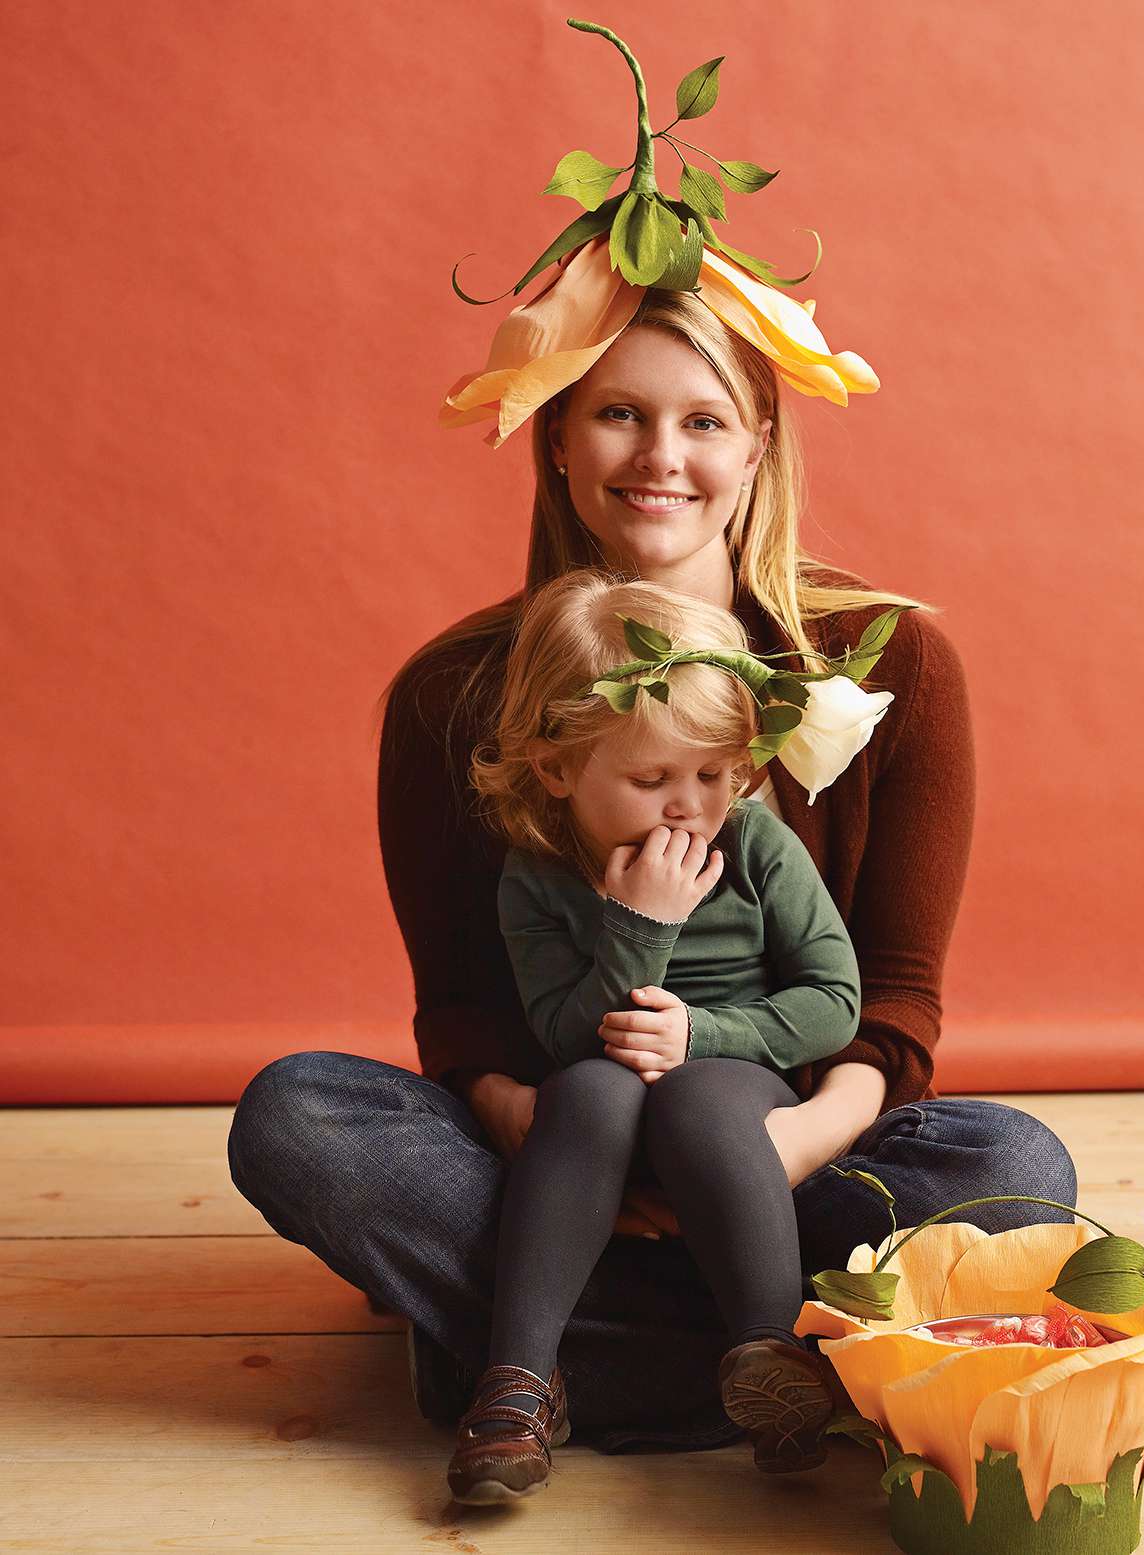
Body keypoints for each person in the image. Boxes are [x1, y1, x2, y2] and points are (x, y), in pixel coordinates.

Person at [227, 22, 1077, 1470]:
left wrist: (750, 1151)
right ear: (558, 437)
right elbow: (464, 1028)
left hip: (785, 1140)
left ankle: (531, 1354)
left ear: (759, 446)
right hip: (556, 1138)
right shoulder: (452, 690)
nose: (658, 457)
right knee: (302, 1113)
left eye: (701, 419)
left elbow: (894, 1019)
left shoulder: (895, 666)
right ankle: (780, 1362)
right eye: (616, 412)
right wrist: (591, 1144)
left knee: (1013, 1164)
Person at [446, 569, 879, 1501]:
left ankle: (772, 1363)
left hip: (730, 1093)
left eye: (715, 774)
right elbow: (563, 1031)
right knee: (590, 1087)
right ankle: (519, 1379)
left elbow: (834, 999)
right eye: (651, 779)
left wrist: (706, 1031)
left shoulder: (759, 845)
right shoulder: (539, 871)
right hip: (589, 1117)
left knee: (699, 1095)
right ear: (558, 768)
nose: (690, 804)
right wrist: (637, 929)